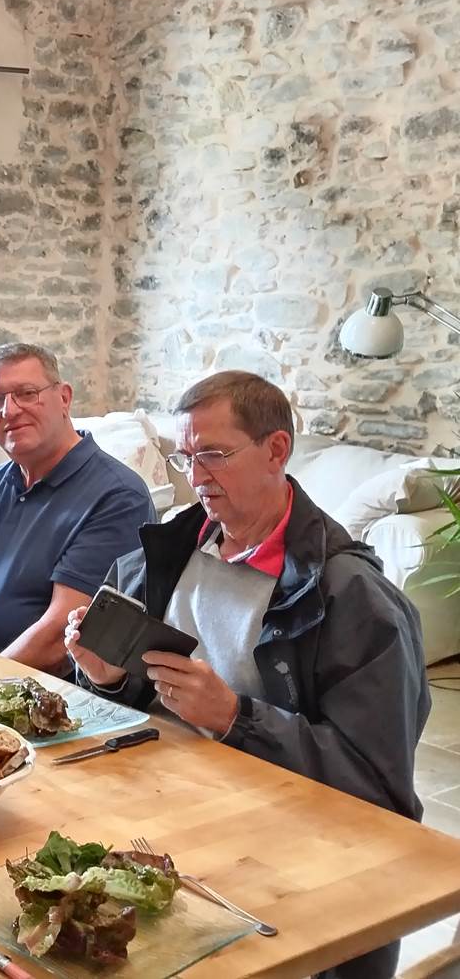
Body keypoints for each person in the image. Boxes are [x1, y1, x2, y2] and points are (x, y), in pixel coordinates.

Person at [65, 371, 428, 979]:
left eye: (214, 454)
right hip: (158, 826)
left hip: (277, 860)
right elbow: (139, 701)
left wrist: (236, 718)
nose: (196, 476)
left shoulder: (354, 599)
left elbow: (378, 788)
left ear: (277, 451)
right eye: (187, 457)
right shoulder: (170, 551)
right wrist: (106, 679)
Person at [0, 343, 156, 670]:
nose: (9, 411)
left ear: (64, 398)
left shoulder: (118, 497)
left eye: (26, 393)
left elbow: (59, 639)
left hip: (28, 697)